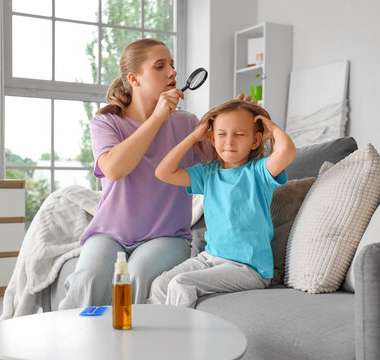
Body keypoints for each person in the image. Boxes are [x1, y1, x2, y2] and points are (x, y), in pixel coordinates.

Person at [58, 38, 197, 309]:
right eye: (160, 66)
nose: (172, 73)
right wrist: (157, 117)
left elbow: (223, 164)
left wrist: (242, 123)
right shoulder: (106, 122)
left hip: (167, 236)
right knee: (87, 280)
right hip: (109, 234)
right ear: (134, 78)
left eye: (172, 65)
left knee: (136, 276)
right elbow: (114, 168)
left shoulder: (188, 123)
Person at [147, 99, 296, 308]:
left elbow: (287, 151)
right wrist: (193, 137)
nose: (229, 141)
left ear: (255, 141)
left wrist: (273, 129)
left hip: (248, 268)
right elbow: (163, 172)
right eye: (221, 134)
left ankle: (178, 339)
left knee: (182, 283)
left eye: (240, 134)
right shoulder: (208, 173)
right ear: (212, 139)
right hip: (210, 258)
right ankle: (154, 336)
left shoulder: (259, 172)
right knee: (160, 284)